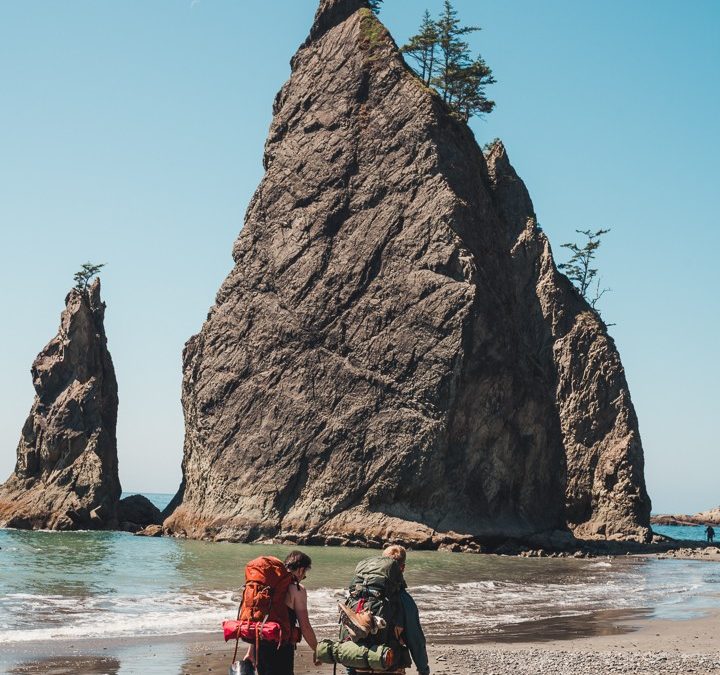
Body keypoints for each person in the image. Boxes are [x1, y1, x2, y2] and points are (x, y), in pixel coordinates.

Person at [242, 550, 319, 675]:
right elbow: (305, 626)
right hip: (281, 648)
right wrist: (318, 650)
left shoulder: (267, 587)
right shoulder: (296, 589)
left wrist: (250, 653)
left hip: (260, 645)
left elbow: (259, 619)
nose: (302, 578)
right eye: (304, 575)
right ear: (301, 570)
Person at [382, 545, 430, 675]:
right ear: (402, 567)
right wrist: (423, 670)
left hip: (358, 664)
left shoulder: (361, 592)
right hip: (389, 664)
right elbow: (416, 641)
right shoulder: (403, 599)